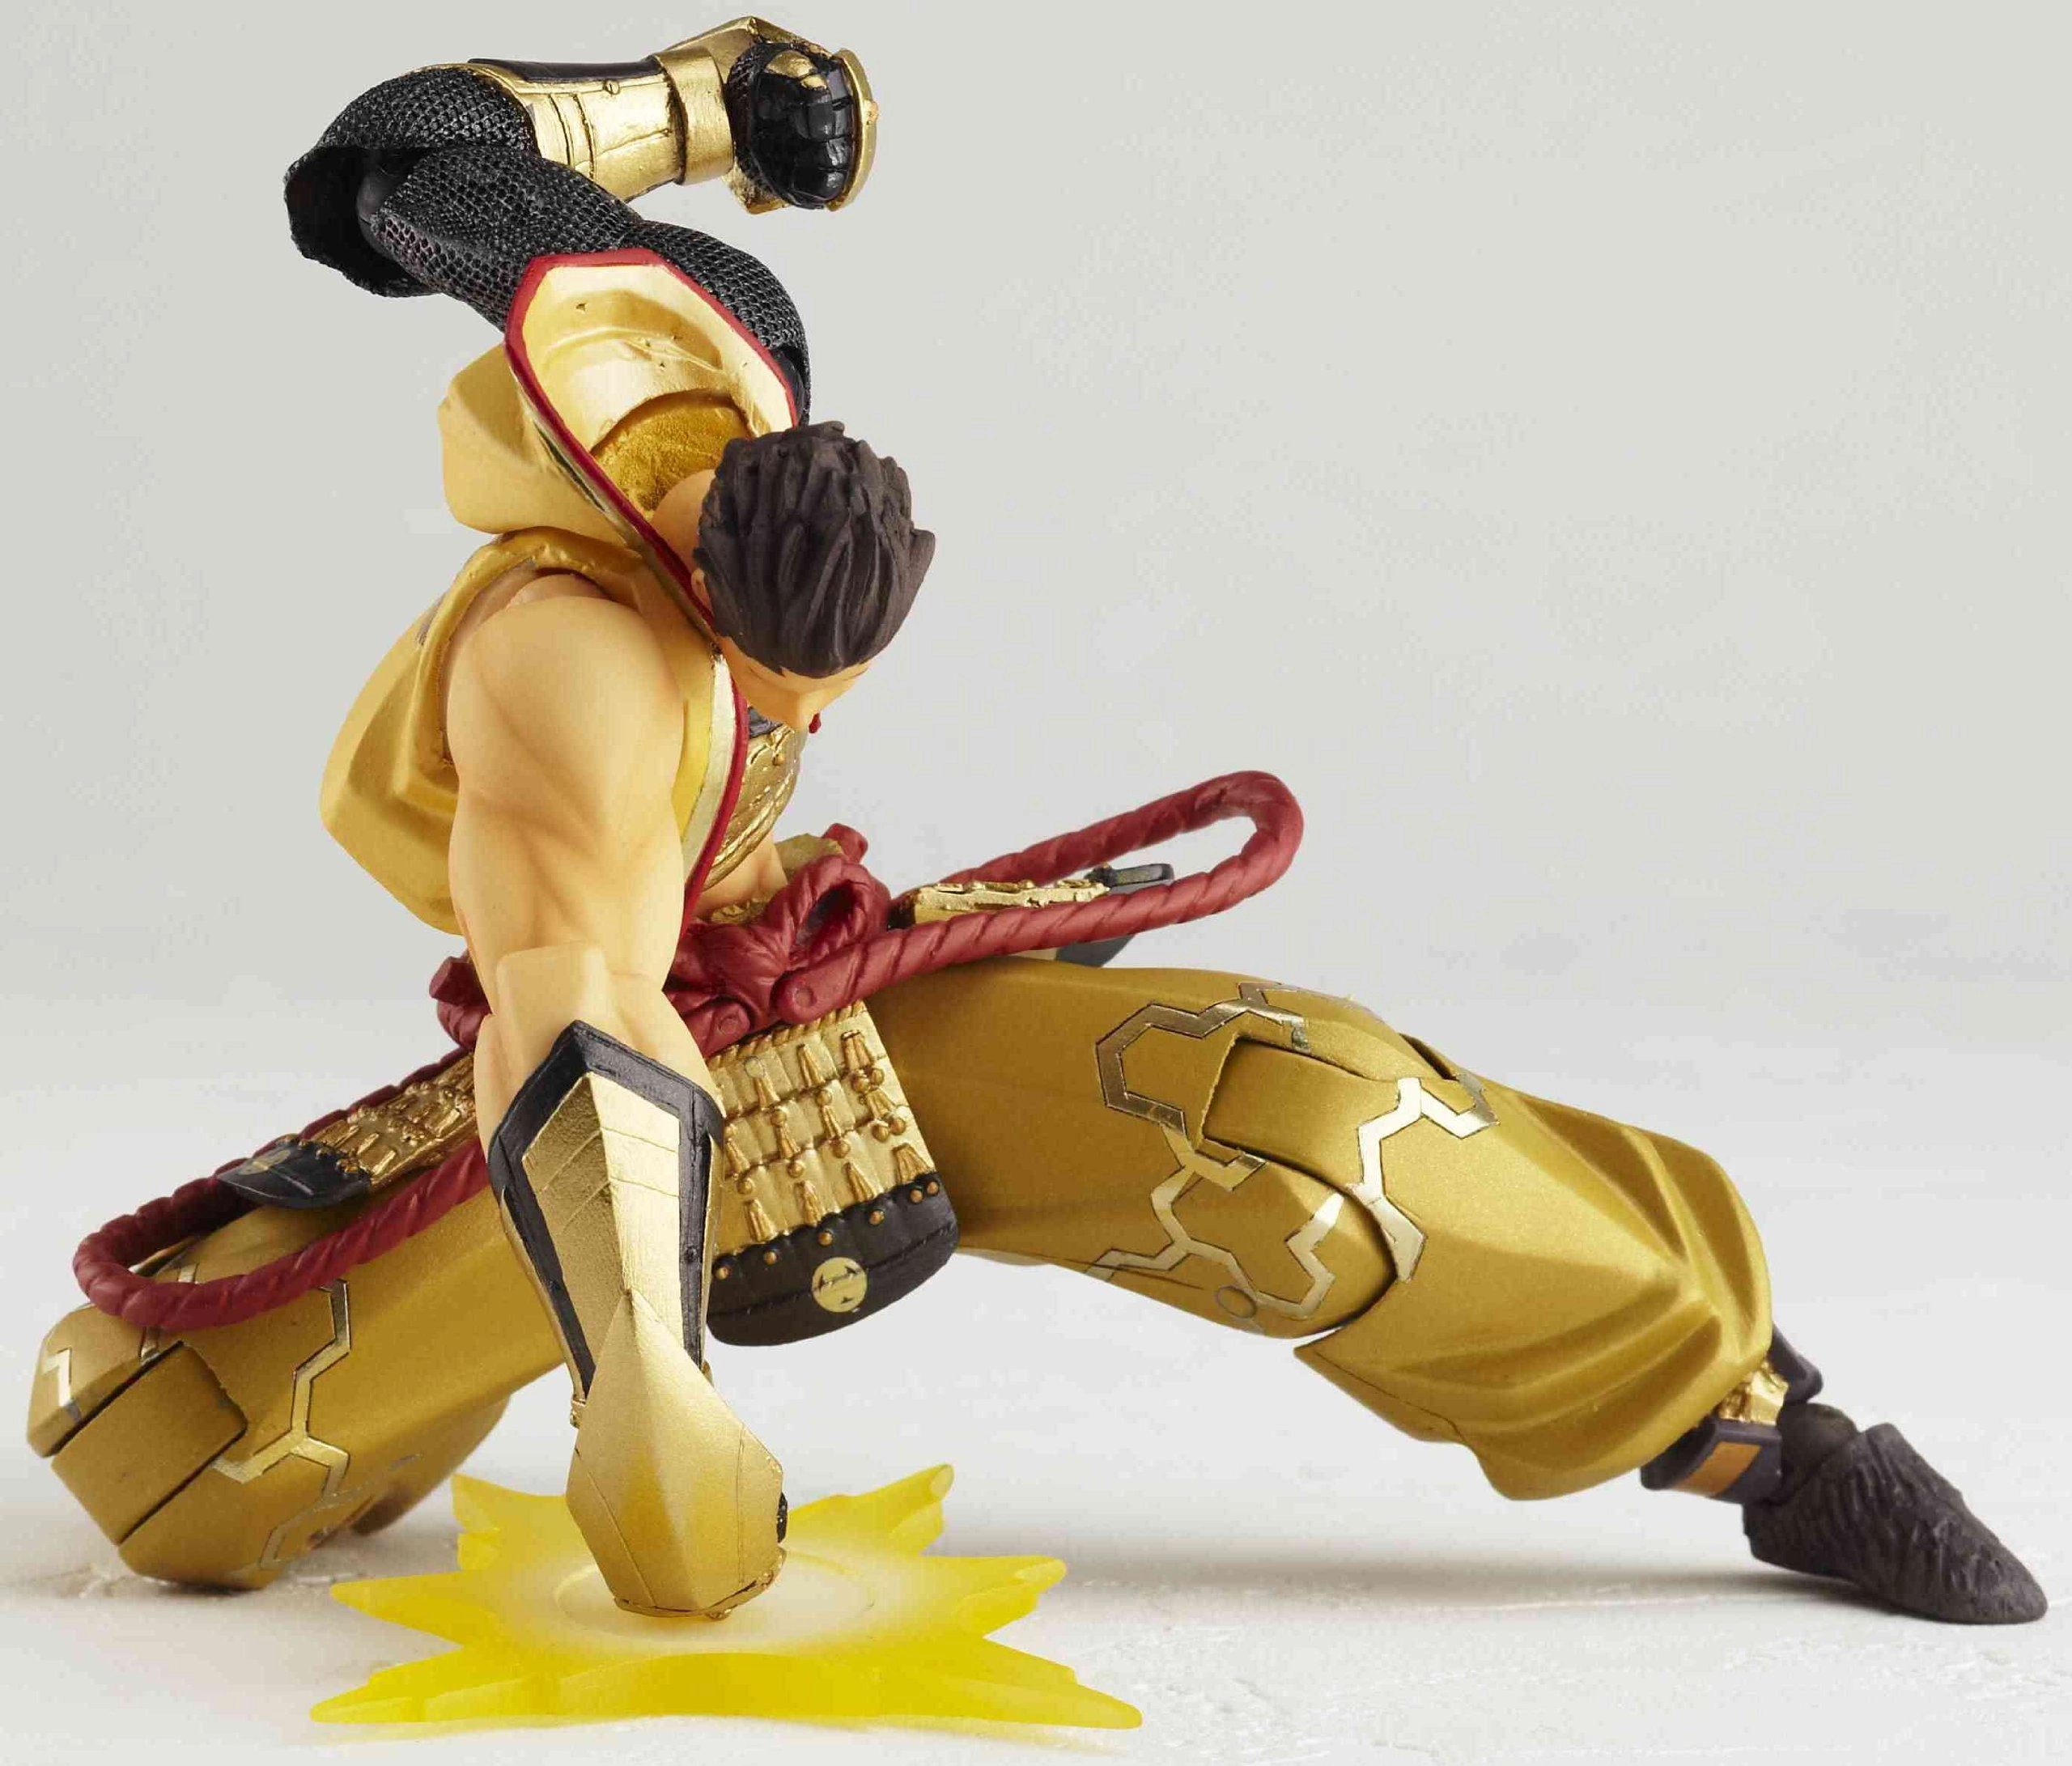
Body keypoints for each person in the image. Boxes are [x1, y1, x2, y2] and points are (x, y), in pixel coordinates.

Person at [29, 23, 2044, 1629]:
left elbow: (428, 142)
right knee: (160, 1448)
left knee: (1298, 1122)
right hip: (629, 1060)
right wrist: (645, 1391)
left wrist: (704, 105)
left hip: (809, 983)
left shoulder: (700, 378)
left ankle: (1747, 1424)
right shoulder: (572, 658)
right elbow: (573, 993)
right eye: (782, 667)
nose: (801, 703)